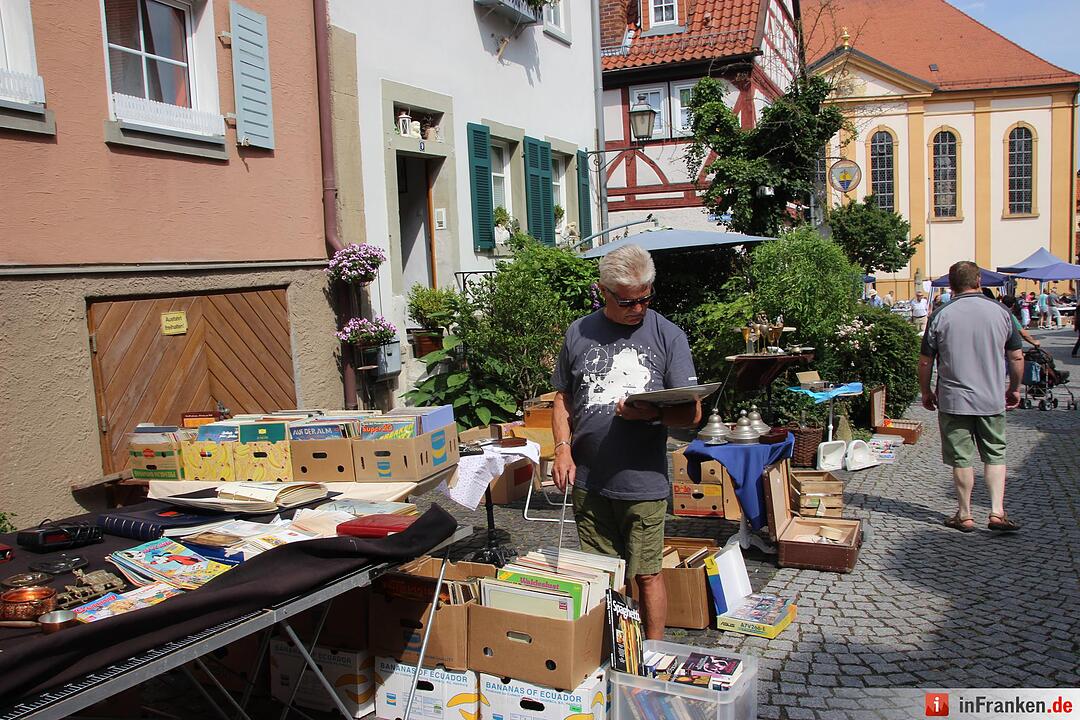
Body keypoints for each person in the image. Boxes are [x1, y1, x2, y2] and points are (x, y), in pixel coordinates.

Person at [551, 244, 701, 639]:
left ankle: (653, 655)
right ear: (602, 291)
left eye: (645, 298)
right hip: (589, 481)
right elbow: (562, 397)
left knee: (647, 574)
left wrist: (651, 413)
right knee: (605, 577)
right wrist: (562, 449)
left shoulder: (669, 336)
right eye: (627, 302)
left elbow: (692, 414)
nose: (638, 308)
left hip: (642, 483)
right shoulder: (579, 332)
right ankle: (616, 652)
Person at [919, 261, 1023, 534]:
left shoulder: (941, 315)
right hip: (991, 397)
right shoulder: (1001, 311)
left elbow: (925, 361)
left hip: (954, 399)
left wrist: (925, 390)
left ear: (951, 285)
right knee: (995, 455)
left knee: (961, 459)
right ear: (978, 280)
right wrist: (1014, 388)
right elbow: (1016, 355)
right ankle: (997, 512)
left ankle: (964, 514)